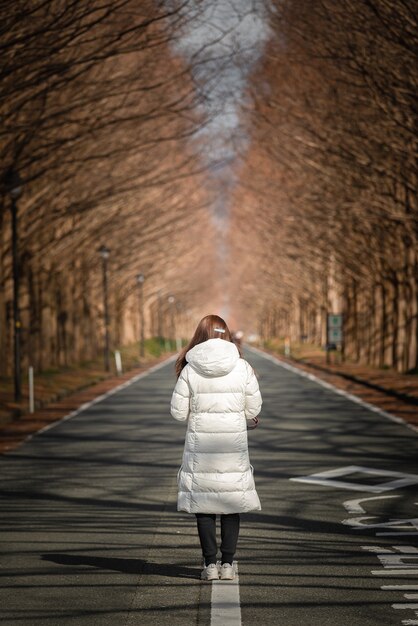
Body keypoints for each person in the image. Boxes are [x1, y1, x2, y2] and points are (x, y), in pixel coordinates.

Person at [170, 314, 262, 581]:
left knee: (204, 504)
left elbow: (177, 412)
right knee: (231, 502)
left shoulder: (190, 368)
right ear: (227, 334)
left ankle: (210, 565)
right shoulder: (242, 367)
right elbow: (253, 408)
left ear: (200, 334)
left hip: (201, 447)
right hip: (232, 445)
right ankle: (228, 564)